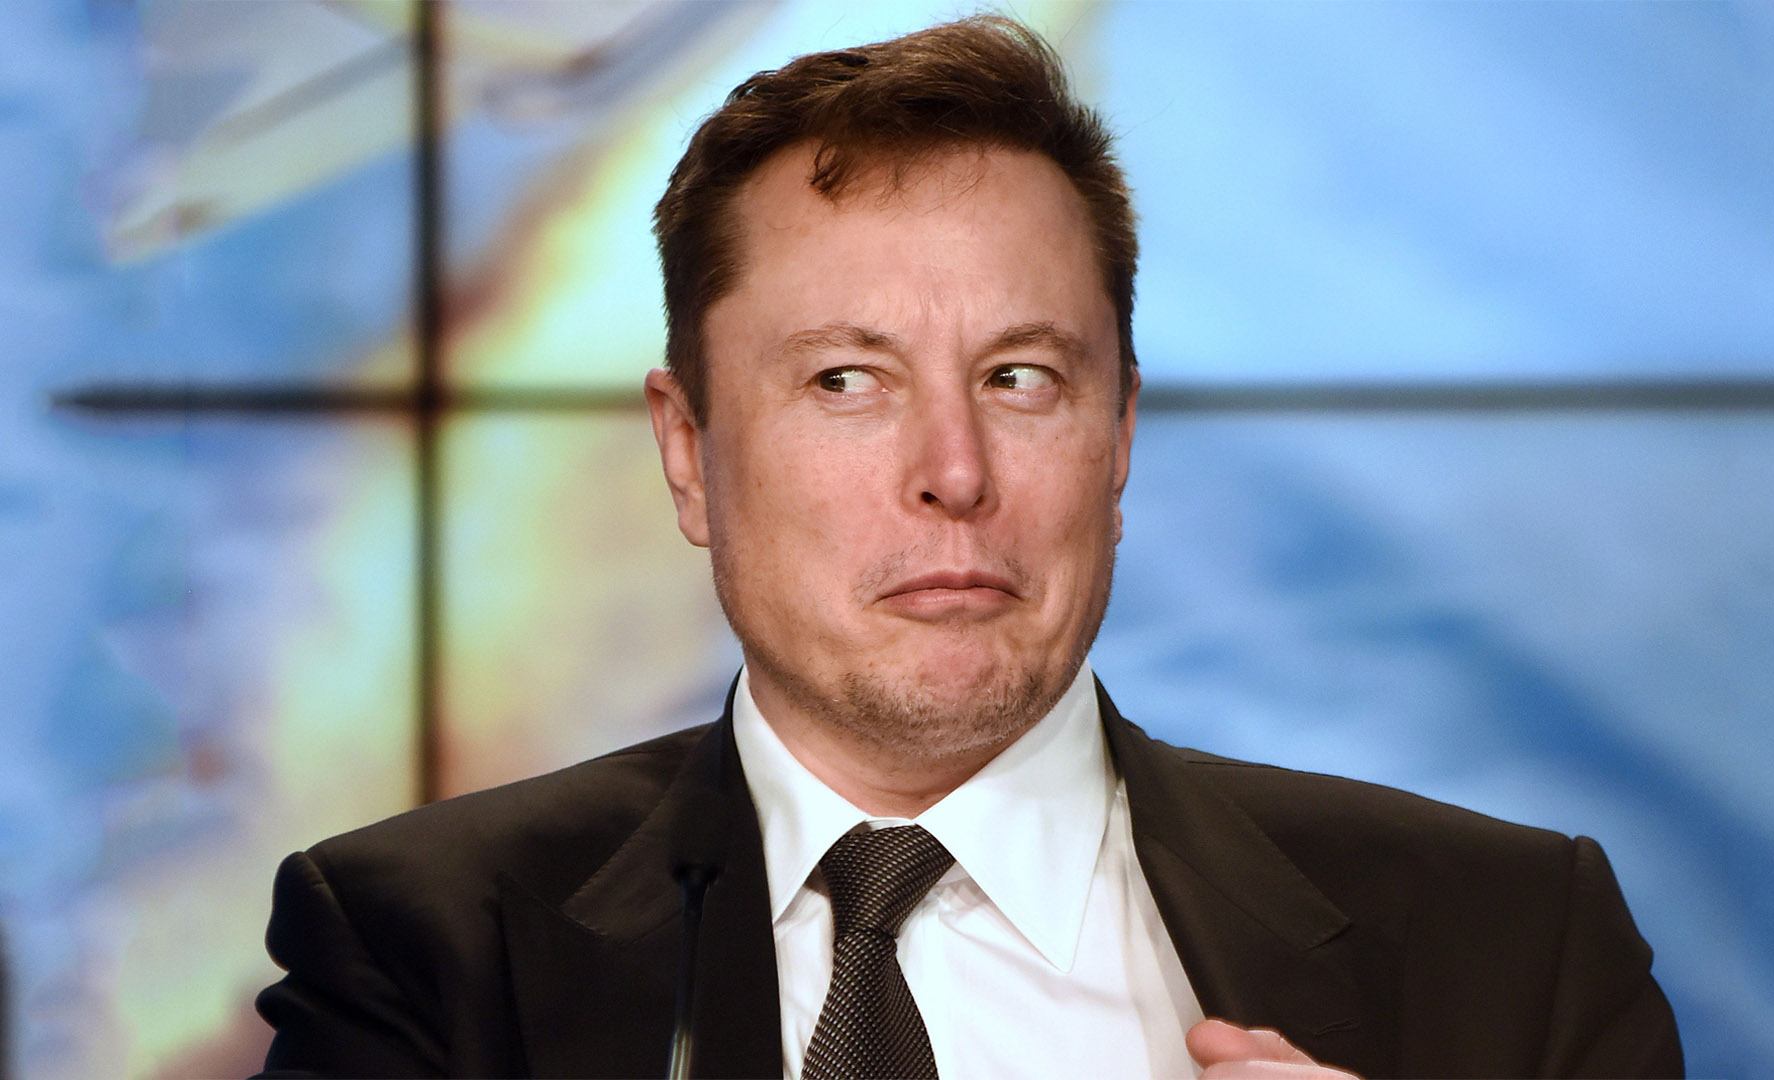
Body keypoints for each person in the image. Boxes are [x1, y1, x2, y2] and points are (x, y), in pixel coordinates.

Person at [253, 17, 1683, 1079]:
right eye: (846, 381)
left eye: (1021, 378)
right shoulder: (419, 949)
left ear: (1118, 439)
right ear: (687, 451)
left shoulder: (1516, 944)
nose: (954, 473)